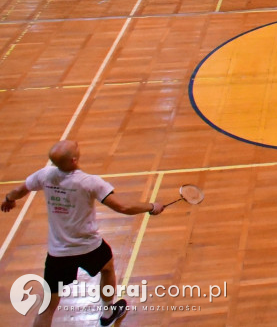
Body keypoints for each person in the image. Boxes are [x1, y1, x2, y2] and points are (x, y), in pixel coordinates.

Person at [2, 140, 165, 326]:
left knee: (48, 306)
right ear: (73, 160)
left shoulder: (44, 175)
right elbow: (123, 207)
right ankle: (108, 312)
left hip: (58, 253)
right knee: (107, 268)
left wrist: (9, 199)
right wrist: (151, 207)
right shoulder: (90, 182)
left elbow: (19, 190)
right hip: (89, 246)